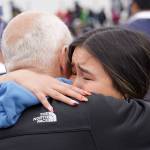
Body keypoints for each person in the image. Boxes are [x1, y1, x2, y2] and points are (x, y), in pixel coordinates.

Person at [1, 27, 150, 150]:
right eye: (72, 72)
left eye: (86, 77)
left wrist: (14, 77)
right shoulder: (96, 112)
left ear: (125, 84)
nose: (74, 84)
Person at [0, 11, 90, 128]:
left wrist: (7, 78)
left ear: (4, 59)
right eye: (73, 69)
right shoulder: (99, 110)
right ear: (64, 58)